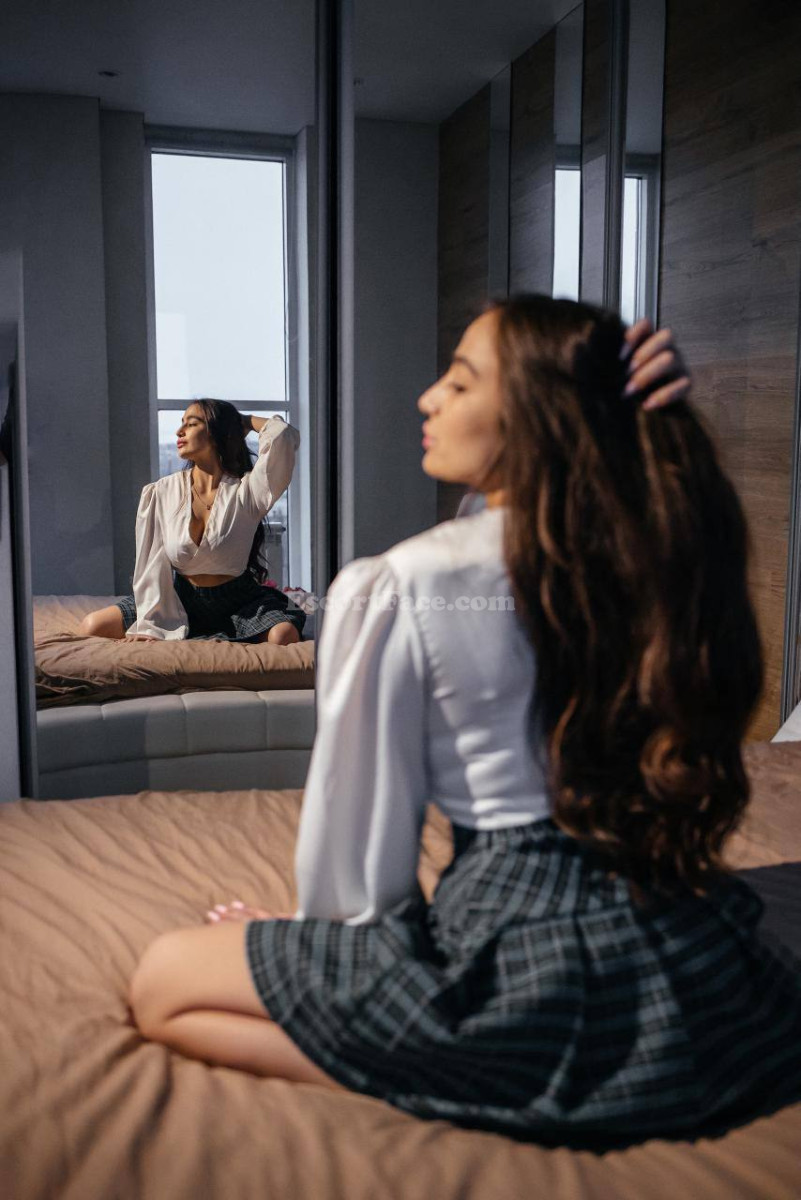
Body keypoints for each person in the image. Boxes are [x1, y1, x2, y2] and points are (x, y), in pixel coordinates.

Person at [129, 302, 801, 1148]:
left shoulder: (402, 581)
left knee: (163, 984)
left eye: (459, 380)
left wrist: (314, 948)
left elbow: (361, 833)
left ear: (534, 414)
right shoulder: (663, 548)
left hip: (517, 945)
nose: (427, 398)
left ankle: (470, 1070)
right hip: (680, 935)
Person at [80, 400, 305, 645]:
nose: (179, 431)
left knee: (284, 635)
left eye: (192, 424)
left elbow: (282, 435)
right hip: (176, 599)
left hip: (240, 601)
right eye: (181, 424)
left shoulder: (248, 491)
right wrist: (151, 623)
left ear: (217, 433)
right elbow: (150, 563)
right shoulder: (162, 492)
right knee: (93, 625)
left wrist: (243, 421)